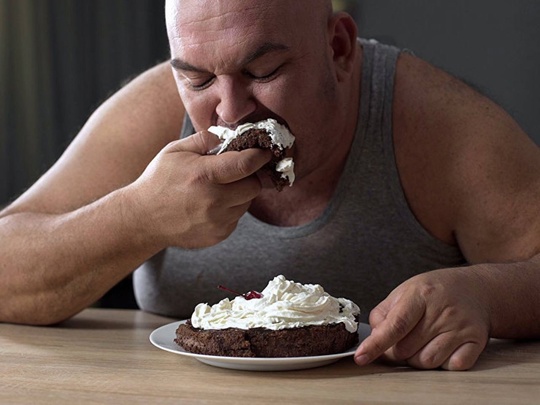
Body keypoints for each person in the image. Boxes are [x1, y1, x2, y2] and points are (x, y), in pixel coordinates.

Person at [1, 0, 539, 371]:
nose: (230, 112)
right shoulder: (152, 114)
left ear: (339, 47)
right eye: (198, 79)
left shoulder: (439, 124)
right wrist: (139, 217)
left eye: (264, 72)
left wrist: (488, 295)